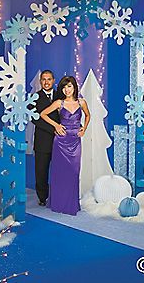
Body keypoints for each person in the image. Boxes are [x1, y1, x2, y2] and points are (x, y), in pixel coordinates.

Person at [40, 76, 90, 215]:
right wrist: (56, 125)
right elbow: (43, 114)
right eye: (64, 87)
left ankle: (71, 204)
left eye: (69, 86)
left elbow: (88, 115)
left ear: (74, 87)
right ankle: (58, 203)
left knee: (74, 173)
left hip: (75, 140)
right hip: (61, 141)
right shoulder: (58, 103)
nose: (67, 90)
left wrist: (84, 129)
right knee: (59, 173)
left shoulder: (81, 102)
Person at [32, 70, 60, 206]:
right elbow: (35, 119)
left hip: (60, 142)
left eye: (49, 79)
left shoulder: (61, 97)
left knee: (59, 171)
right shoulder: (35, 98)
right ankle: (42, 198)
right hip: (42, 142)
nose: (46, 82)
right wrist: (54, 128)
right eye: (43, 79)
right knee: (41, 172)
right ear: (40, 81)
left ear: (54, 80)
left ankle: (57, 196)